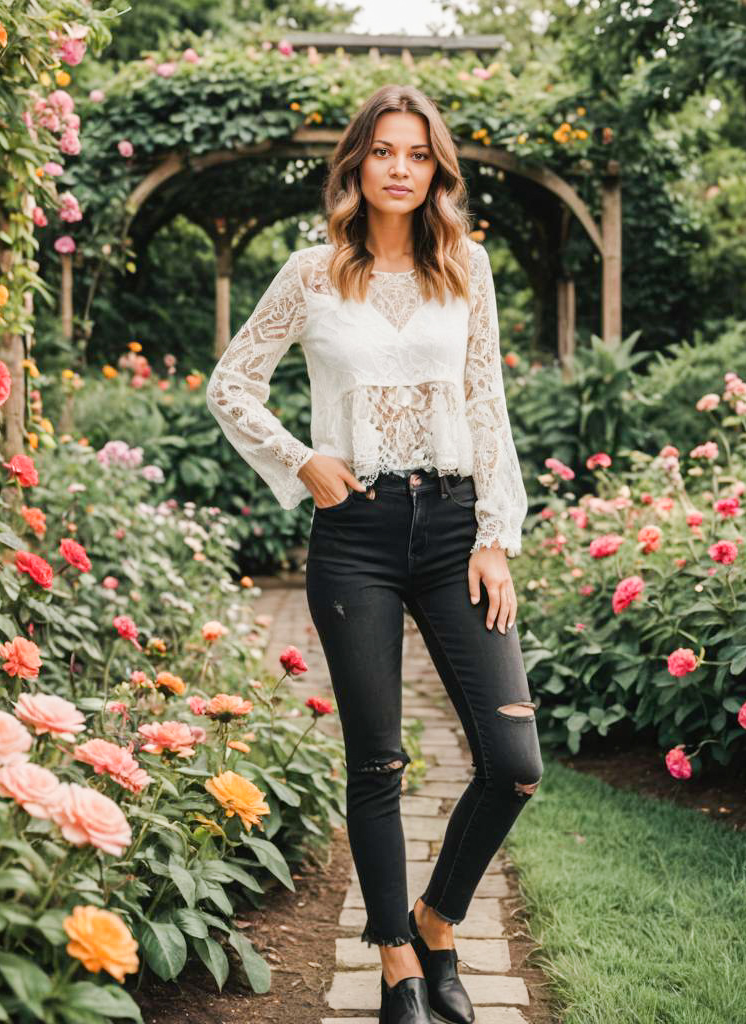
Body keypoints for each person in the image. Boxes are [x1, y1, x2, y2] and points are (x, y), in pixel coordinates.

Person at [206, 83, 543, 1024]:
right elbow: (232, 384)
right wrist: (300, 457)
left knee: (514, 760)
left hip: (451, 528)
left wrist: (495, 538)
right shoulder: (312, 273)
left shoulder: (465, 267)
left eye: (418, 154)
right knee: (378, 763)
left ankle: (437, 924)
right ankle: (397, 961)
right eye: (384, 151)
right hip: (352, 534)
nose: (401, 168)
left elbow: (488, 409)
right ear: (356, 164)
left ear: (437, 169)